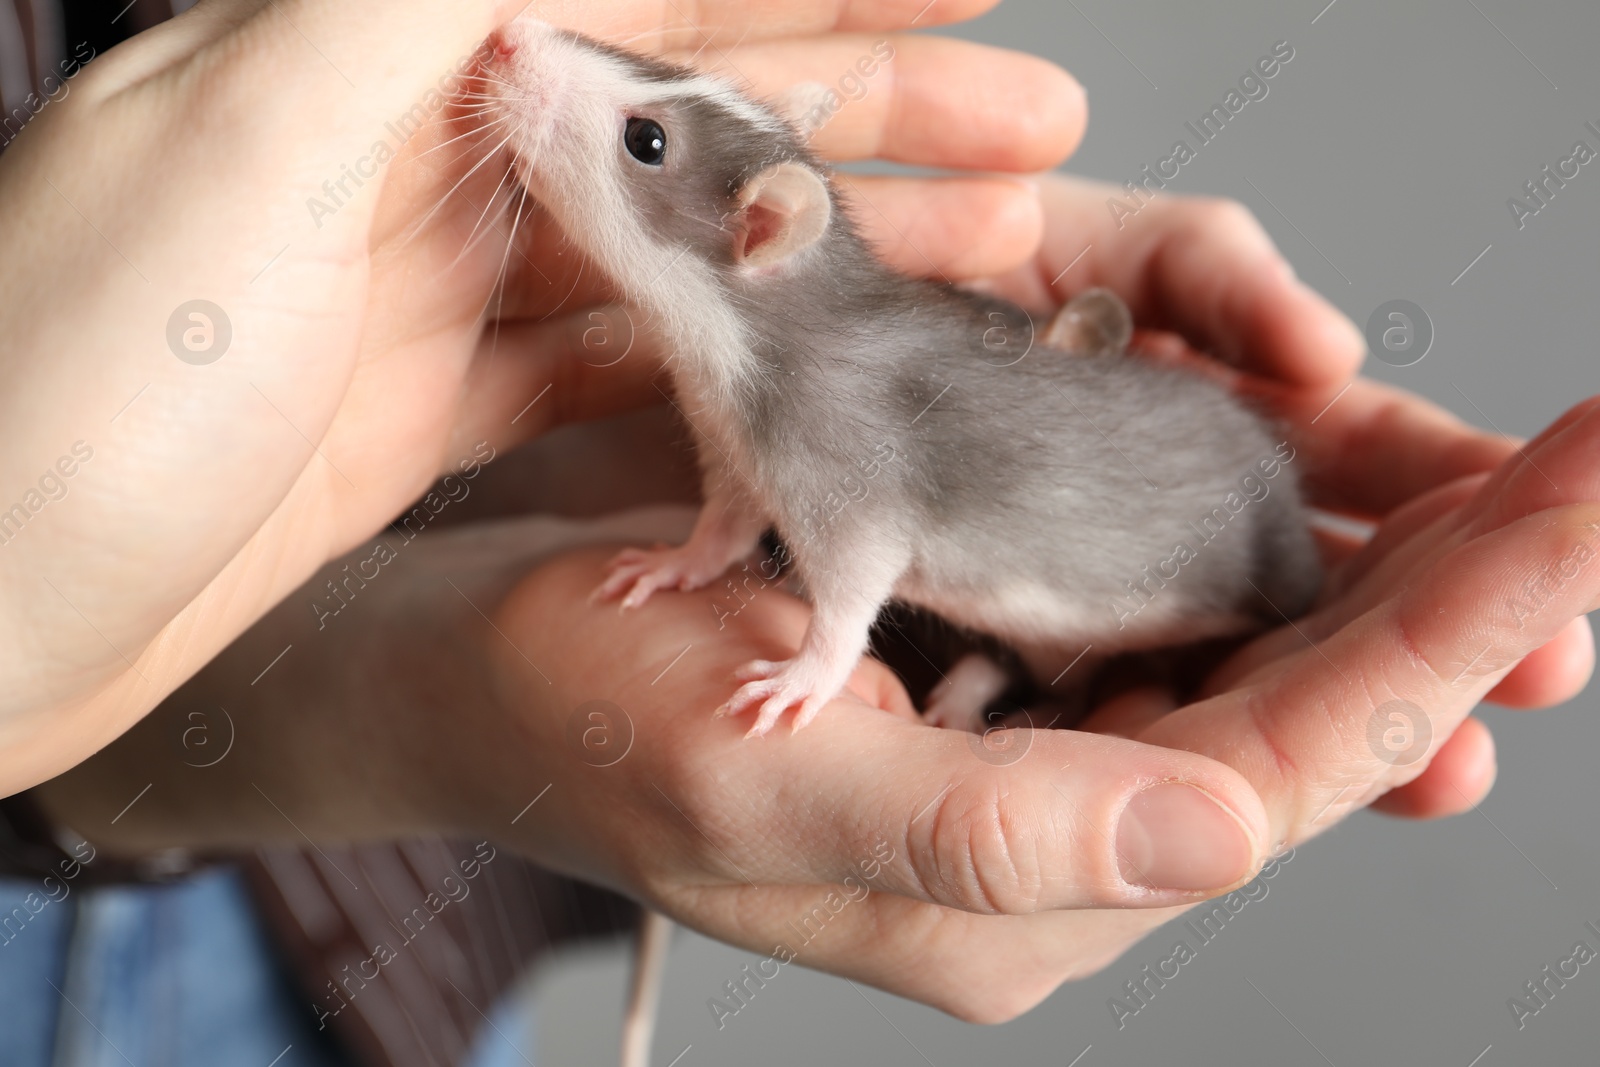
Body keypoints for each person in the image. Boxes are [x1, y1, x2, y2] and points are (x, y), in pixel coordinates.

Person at [3, 0, 1597, 1057]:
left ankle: (1007, 672)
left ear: (756, 237)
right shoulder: (757, 350)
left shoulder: (793, 371)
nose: (543, 83)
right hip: (211, 919)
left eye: (640, 143)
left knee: (935, 554)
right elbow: (757, 474)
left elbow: (852, 524)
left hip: (1183, 548)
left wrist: (825, 646)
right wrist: (708, 552)